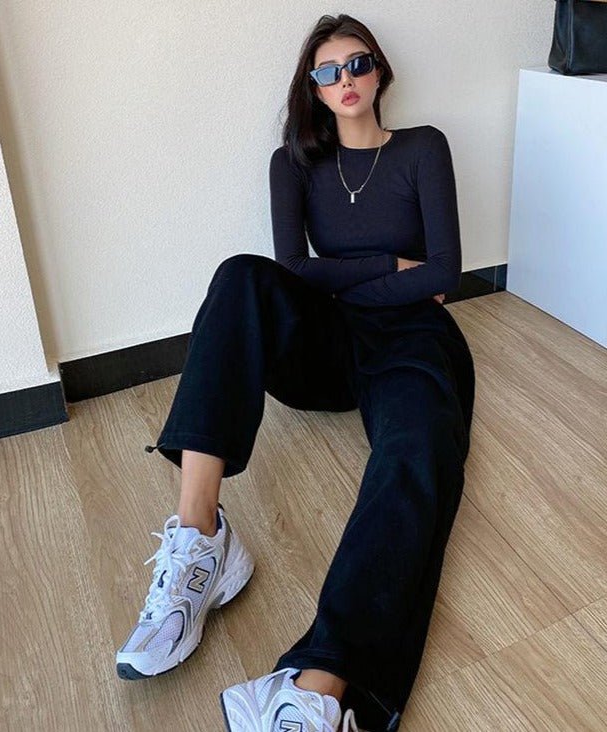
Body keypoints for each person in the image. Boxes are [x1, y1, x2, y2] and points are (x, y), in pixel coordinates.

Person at [115, 13, 474, 732]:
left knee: (417, 456)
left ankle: (321, 690)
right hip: (327, 346)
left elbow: (444, 274)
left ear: (380, 70)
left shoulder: (423, 147)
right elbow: (292, 271)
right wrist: (390, 266)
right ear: (313, 87)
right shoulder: (294, 165)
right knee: (240, 277)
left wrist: (348, 278)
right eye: (328, 71)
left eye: (359, 63)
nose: (346, 80)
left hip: (415, 338)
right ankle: (201, 538)